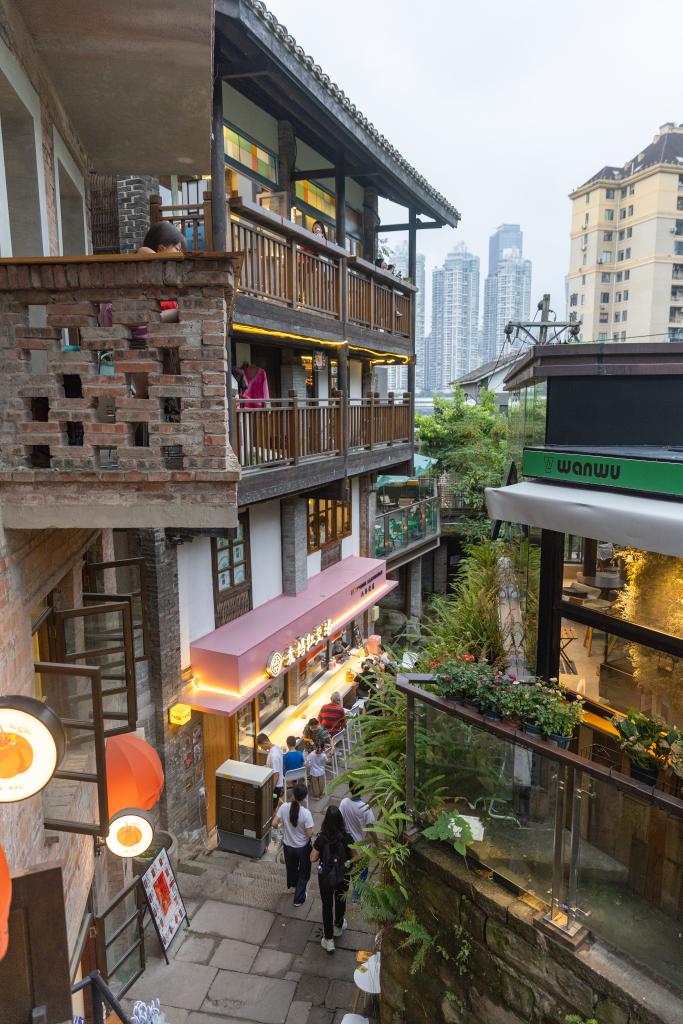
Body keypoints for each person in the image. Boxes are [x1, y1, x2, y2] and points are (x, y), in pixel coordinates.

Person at [311, 805, 354, 953]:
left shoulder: (321, 838)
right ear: (341, 820)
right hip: (343, 875)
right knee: (341, 900)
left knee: (327, 906)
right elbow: (355, 856)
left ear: (326, 820)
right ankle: (338, 926)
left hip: (325, 877)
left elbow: (312, 858)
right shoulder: (347, 838)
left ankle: (328, 940)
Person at [273, 783, 315, 907]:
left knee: (292, 868)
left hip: (288, 846)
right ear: (305, 797)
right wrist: (312, 832)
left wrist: (283, 827)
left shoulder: (284, 807)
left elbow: (274, 824)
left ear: (293, 794)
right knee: (304, 871)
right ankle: (299, 898)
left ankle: (293, 887)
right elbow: (309, 834)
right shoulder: (306, 813)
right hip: (302, 848)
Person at [340, 781, 375, 902]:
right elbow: (371, 829)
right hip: (362, 848)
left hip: (347, 846)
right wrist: (377, 843)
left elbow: (340, 820)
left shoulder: (344, 803)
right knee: (362, 870)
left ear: (350, 789)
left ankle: (352, 890)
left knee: (351, 869)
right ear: (362, 790)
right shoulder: (366, 808)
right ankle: (356, 894)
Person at [256, 733, 284, 804]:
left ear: (265, 743)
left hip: (275, 786)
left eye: (261, 746)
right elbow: (272, 766)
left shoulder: (274, 755)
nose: (262, 748)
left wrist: (271, 790)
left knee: (272, 806)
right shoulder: (276, 747)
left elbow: (276, 775)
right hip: (274, 784)